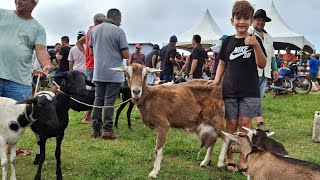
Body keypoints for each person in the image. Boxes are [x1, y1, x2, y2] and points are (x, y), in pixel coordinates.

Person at [206, 0, 266, 175]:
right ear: (232, 20)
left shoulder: (256, 40)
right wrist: (216, 81)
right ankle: (228, 156)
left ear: (251, 21)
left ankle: (243, 159)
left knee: (245, 125)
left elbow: (262, 64)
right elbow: (222, 64)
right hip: (230, 89)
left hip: (250, 90)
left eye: (246, 18)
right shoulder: (228, 42)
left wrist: (255, 45)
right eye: (238, 18)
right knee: (231, 123)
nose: (241, 22)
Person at [0, 0, 53, 155]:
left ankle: (10, 147)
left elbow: (41, 50)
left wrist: (46, 64)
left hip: (19, 81)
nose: (18, 0)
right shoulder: (2, 14)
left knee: (16, 118)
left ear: (34, 3)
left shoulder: (38, 28)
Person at [89, 8, 129, 140]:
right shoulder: (119, 31)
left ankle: (95, 129)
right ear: (117, 19)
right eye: (120, 21)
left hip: (98, 72)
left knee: (98, 99)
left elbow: (90, 52)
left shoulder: (95, 30)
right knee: (109, 101)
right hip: (114, 73)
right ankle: (107, 130)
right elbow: (126, 54)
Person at [251, 9, 279, 131]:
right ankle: (259, 123)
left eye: (263, 20)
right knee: (252, 98)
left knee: (258, 98)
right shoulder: (249, 34)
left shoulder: (269, 37)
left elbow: (272, 55)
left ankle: (256, 123)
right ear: (253, 21)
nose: (260, 22)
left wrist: (275, 69)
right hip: (251, 72)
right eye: (258, 20)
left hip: (265, 72)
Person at [76, 13, 106, 124]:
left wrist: (86, 54)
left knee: (93, 91)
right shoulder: (98, 31)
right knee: (95, 92)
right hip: (95, 65)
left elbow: (79, 43)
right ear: (102, 22)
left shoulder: (89, 30)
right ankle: (88, 116)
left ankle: (88, 115)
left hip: (89, 65)